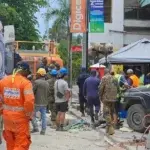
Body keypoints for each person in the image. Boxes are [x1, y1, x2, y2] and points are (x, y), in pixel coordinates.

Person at [0, 61, 34, 150]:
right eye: (27, 73)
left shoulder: (3, 81)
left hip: (7, 119)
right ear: (24, 71)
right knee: (21, 143)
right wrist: (28, 114)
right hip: (20, 119)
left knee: (10, 142)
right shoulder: (26, 83)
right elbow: (29, 101)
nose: (27, 75)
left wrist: (1, 111)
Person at [99, 68, 118, 135]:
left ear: (104, 72)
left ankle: (110, 129)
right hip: (114, 98)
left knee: (106, 113)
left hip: (106, 98)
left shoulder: (104, 78)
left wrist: (100, 96)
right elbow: (117, 88)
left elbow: (101, 88)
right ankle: (108, 128)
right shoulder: (115, 78)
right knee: (112, 112)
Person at [31, 68, 49, 135]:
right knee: (44, 116)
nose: (36, 75)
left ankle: (35, 127)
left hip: (36, 102)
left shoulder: (37, 82)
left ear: (40, 74)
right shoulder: (47, 83)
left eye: (37, 74)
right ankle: (43, 130)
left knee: (32, 115)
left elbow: (32, 92)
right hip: (44, 103)